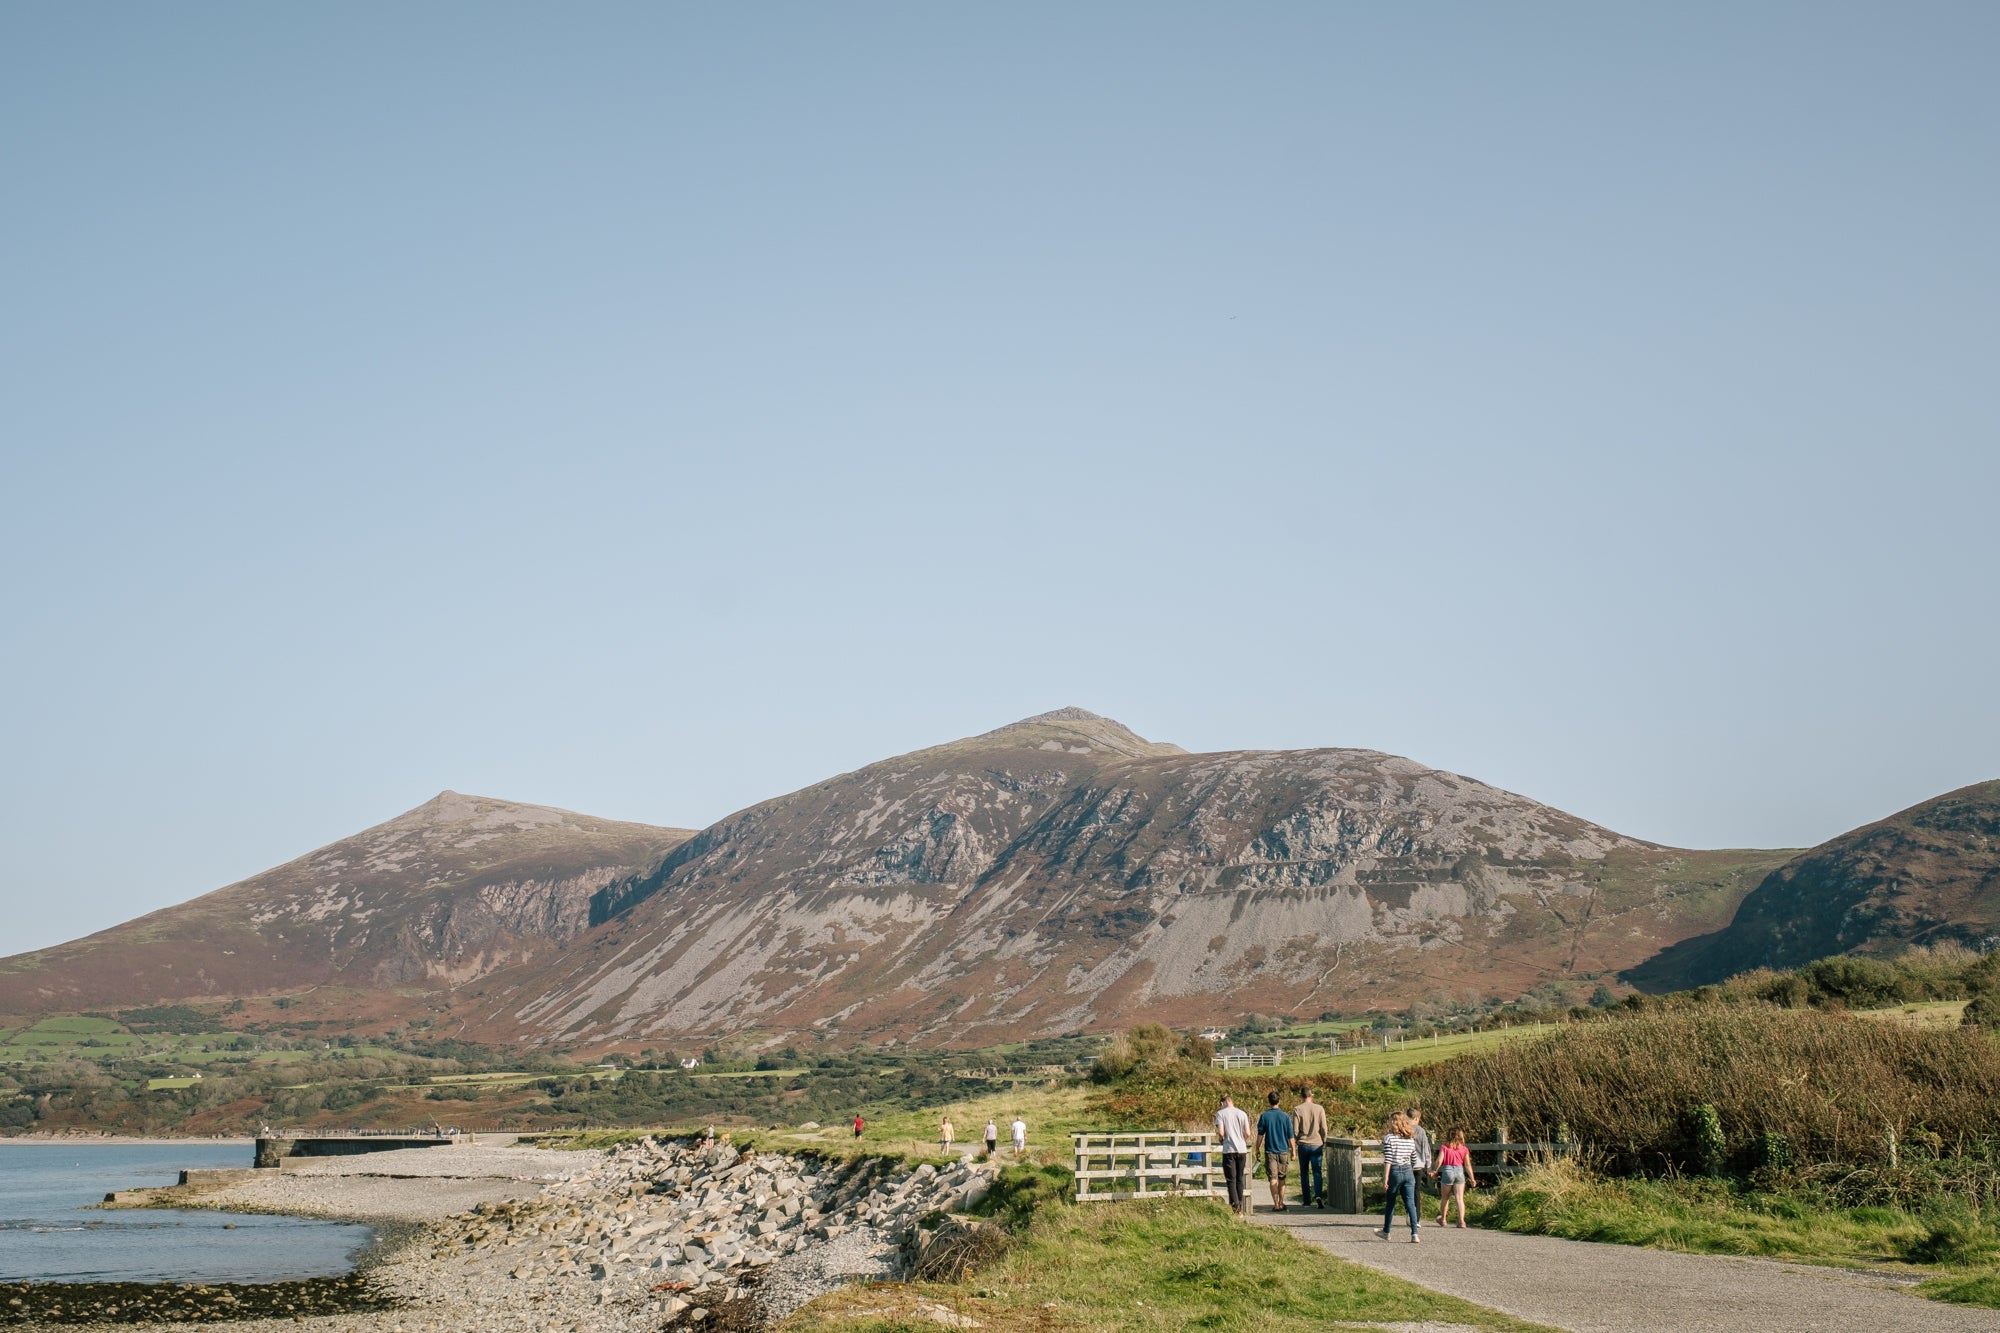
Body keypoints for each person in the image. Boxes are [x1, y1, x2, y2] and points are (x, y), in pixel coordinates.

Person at [1376, 1111, 1421, 1241]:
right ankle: (1414, 1233)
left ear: (1395, 1122)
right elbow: (1413, 1158)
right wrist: (1409, 1170)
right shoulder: (1410, 1139)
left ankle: (1386, 1231)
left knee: (1390, 1202)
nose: (1389, 1123)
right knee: (1410, 1203)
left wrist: (1385, 1178)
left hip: (1395, 1171)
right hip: (1408, 1171)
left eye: (1391, 1121)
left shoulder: (1389, 1138)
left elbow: (1388, 1159)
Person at [1254, 1090, 1295, 1211]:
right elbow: (1290, 1136)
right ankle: (1282, 1203)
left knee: (1273, 1178)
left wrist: (1257, 1148)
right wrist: (1293, 1151)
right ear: (1279, 1101)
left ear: (1269, 1101)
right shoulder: (1285, 1116)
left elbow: (1260, 1135)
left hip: (1270, 1151)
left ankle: (1276, 1204)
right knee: (1282, 1178)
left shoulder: (1264, 1116)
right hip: (1283, 1151)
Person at [1214, 1093, 1252, 1218]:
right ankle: (1239, 1204)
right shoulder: (1242, 1113)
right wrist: (1241, 1139)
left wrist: (1222, 1139)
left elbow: (1221, 1132)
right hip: (1241, 1149)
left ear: (1222, 1103)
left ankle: (1236, 1208)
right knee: (1240, 1178)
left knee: (1231, 1179)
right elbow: (1247, 1133)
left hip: (1229, 1149)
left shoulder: (1220, 1114)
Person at [1291, 1088, 1328, 1208]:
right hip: (1317, 1144)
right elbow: (1324, 1128)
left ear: (1301, 1096)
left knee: (1304, 1172)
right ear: (1311, 1095)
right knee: (1317, 1172)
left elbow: (1295, 1130)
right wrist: (1324, 1139)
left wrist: (1294, 1143)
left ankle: (1306, 1200)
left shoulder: (1297, 1109)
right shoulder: (1319, 1108)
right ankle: (1318, 1195)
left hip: (1303, 1144)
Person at [1436, 1128, 1476, 1228]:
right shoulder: (1464, 1149)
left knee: (1445, 1197)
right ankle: (1462, 1221)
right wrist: (1472, 1178)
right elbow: (1467, 1165)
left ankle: (1443, 1219)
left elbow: (1439, 1160)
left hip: (1447, 1170)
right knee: (1459, 1198)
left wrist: (1434, 1170)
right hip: (1459, 1171)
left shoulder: (1444, 1147)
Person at [1408, 1106, 1434, 1210]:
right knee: (1416, 1190)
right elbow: (1426, 1149)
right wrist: (1429, 1166)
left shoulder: (1403, 1129)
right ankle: (1416, 1217)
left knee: (1406, 1189)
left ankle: (1408, 1211)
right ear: (1416, 1118)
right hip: (1418, 1164)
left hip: (1405, 1164)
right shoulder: (1421, 1131)